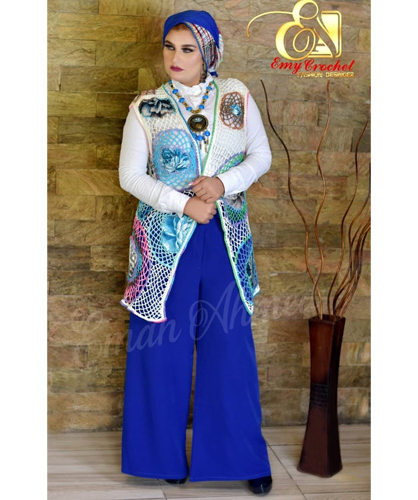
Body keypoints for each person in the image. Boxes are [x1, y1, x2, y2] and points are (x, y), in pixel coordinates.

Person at [117, 10, 273, 496]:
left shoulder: (236, 96)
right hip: (164, 245)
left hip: (225, 239)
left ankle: (242, 457)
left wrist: (224, 183)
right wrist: (182, 203)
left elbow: (261, 156)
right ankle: (160, 457)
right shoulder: (146, 107)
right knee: (159, 349)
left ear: (209, 53)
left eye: (187, 49)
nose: (176, 57)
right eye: (170, 46)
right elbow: (130, 176)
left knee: (230, 349)